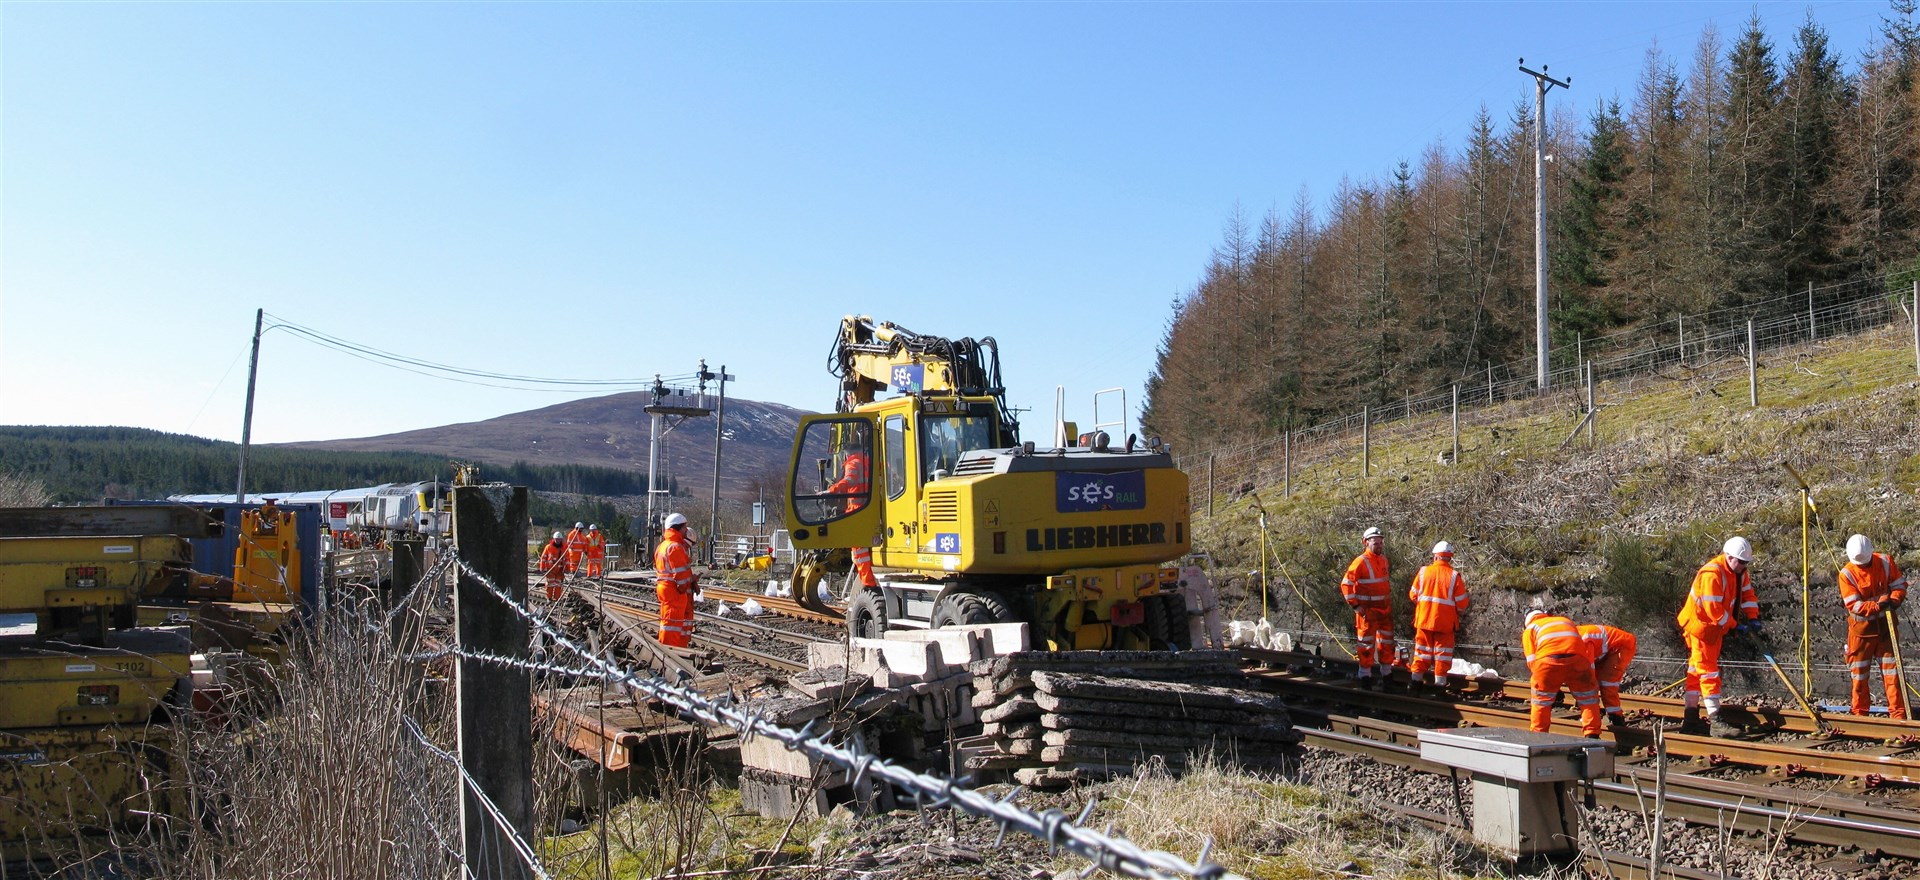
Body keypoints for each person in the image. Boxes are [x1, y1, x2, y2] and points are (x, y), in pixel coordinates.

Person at [1677, 536, 1760, 736]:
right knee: (1709, 672)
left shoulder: (1739, 572)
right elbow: (1713, 609)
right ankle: (1715, 721)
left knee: (1696, 673)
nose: (1742, 566)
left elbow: (1747, 595)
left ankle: (1690, 719)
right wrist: (1735, 626)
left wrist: (1753, 617)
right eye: (1740, 562)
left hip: (1713, 629)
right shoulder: (1712, 574)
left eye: (1745, 563)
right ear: (1728, 556)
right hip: (1701, 628)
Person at [1839, 534, 1908, 719]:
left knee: (1893, 675)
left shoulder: (1885, 562)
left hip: (1886, 629)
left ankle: (1898, 715)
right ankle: (1860, 715)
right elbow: (1854, 605)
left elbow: (1899, 585)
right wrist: (1878, 605)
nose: (1863, 567)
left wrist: (1894, 600)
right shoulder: (1847, 574)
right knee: (1859, 677)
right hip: (1861, 635)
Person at [1524, 610, 1604, 738]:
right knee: (1588, 697)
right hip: (1578, 659)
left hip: (1548, 662)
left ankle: (1539, 736)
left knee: (1541, 701)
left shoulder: (1530, 629)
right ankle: (1592, 733)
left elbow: (1532, 661)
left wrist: (1550, 685)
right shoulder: (1565, 620)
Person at [1408, 541, 1469, 690]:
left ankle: (1415, 682)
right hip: (1445, 624)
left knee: (1421, 652)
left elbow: (1413, 595)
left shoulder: (1423, 572)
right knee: (1443, 655)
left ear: (1436, 557)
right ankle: (1439, 686)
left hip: (1424, 621)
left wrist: (1424, 607)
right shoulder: (1454, 576)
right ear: (1450, 558)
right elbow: (1462, 603)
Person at [1340, 526, 1395, 688]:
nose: (1378, 545)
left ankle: (1387, 674)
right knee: (1366, 644)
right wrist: (1355, 606)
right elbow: (1346, 584)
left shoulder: (1383, 560)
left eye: (1380, 543)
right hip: (1368, 612)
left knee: (1387, 643)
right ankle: (1365, 677)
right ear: (1366, 542)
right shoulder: (1360, 562)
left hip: (1384, 611)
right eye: (1375, 543)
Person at [825, 429, 877, 589]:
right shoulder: (872, 460)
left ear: (847, 453)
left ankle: (868, 583)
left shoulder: (853, 463)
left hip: (857, 508)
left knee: (859, 551)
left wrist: (831, 490)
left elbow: (849, 481)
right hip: (872, 507)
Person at [1577, 623, 1639, 730]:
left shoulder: (1583, 642)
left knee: (1607, 682)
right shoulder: (1573, 638)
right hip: (1607, 649)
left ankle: (1615, 716)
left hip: (1622, 645)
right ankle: (1607, 714)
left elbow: (1588, 677)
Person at [654, 513, 697, 648]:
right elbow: (682, 579)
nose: (686, 530)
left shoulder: (663, 545)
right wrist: (690, 581)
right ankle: (671, 651)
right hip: (673, 591)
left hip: (665, 587)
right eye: (684, 528)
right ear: (677, 528)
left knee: (667, 621)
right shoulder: (675, 547)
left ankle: (669, 649)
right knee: (672, 624)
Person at [538, 531, 566, 601]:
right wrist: (542, 567)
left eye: (559, 539)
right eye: (556, 539)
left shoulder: (564, 548)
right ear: (554, 539)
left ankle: (557, 599)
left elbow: (567, 559)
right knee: (550, 584)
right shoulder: (548, 547)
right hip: (550, 570)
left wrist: (567, 569)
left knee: (558, 585)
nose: (558, 540)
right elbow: (543, 558)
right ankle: (549, 598)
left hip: (560, 570)